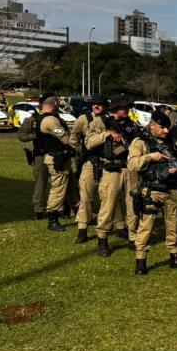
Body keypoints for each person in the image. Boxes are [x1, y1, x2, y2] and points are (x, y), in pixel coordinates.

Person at [127, 111, 177, 274]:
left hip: (172, 189)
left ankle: (175, 255)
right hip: (152, 189)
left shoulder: (173, 142)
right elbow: (132, 164)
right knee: (146, 226)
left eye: (167, 127)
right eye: (162, 127)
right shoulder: (140, 142)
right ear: (152, 126)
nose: (166, 130)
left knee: (174, 224)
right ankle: (141, 260)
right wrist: (150, 157)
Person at [84, 95, 139, 257]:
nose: (127, 110)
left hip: (129, 168)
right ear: (115, 109)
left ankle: (133, 236)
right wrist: (107, 134)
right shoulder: (99, 123)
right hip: (111, 169)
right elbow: (89, 143)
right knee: (108, 205)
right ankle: (102, 240)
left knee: (133, 204)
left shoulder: (131, 125)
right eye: (124, 107)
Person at [71, 94, 107, 244]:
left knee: (109, 197)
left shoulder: (109, 119)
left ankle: (116, 226)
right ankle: (82, 229)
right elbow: (74, 137)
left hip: (107, 162)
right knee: (85, 196)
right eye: (94, 104)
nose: (96, 106)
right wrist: (81, 151)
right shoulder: (84, 119)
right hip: (90, 161)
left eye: (100, 104)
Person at [34, 94, 73, 233]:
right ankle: (53, 219)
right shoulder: (50, 120)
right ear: (54, 103)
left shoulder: (41, 118)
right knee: (58, 189)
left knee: (72, 189)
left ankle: (82, 215)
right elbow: (66, 138)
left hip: (59, 158)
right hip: (57, 160)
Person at [16, 105, 49, 220]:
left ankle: (61, 209)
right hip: (40, 155)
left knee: (61, 184)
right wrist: (37, 136)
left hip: (57, 155)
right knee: (40, 183)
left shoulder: (56, 118)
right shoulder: (33, 119)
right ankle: (39, 210)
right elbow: (21, 136)